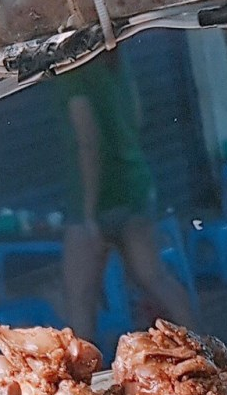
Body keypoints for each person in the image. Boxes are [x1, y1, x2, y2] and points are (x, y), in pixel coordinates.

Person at [51, 53, 194, 341]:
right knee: (155, 277)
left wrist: (88, 214)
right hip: (134, 186)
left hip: (97, 199)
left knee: (79, 297)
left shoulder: (69, 72)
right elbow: (137, 116)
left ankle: (82, 369)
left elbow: (88, 140)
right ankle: (205, 347)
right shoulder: (115, 61)